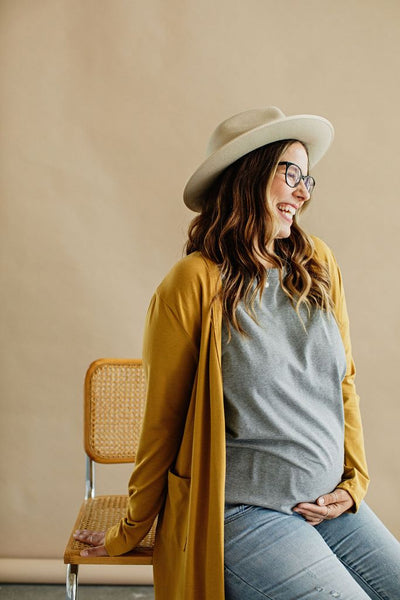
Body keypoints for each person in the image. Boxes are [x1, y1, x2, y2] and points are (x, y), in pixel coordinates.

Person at [74, 107, 400, 599]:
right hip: (243, 512)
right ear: (249, 174)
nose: (304, 192)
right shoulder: (193, 283)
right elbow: (162, 422)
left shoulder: (317, 265)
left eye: (307, 178)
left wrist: (354, 485)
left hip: (325, 507)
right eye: (291, 174)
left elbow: (342, 382)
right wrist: (130, 530)